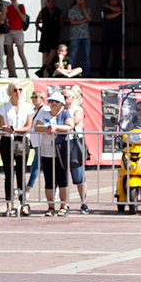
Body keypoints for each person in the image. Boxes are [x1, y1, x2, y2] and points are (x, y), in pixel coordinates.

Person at [34, 92, 74, 216]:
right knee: (49, 180)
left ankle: (64, 205)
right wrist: (47, 129)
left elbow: (69, 126)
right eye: (51, 101)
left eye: (56, 101)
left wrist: (56, 128)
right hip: (47, 151)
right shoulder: (44, 112)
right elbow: (37, 126)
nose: (53, 104)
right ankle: (50, 206)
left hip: (61, 150)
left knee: (63, 179)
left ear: (62, 103)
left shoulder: (65, 113)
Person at [0, 82, 33, 216]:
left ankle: (23, 203)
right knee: (8, 173)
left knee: (21, 172)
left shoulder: (27, 107)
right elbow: (2, 126)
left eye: (19, 89)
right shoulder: (3, 108)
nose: (17, 92)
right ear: (10, 92)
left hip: (21, 139)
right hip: (7, 140)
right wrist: (8, 130)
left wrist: (14, 130)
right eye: (14, 90)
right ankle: (9, 203)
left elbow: (28, 126)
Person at [62, 85, 88, 214]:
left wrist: (62, 123)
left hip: (74, 144)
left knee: (79, 177)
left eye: (66, 97)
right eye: (61, 97)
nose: (63, 99)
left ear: (72, 98)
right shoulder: (58, 110)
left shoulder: (77, 109)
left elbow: (74, 122)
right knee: (62, 177)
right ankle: (64, 204)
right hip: (61, 144)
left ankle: (84, 203)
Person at [22, 88, 46, 212]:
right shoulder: (31, 110)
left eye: (36, 97)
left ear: (42, 99)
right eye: (33, 97)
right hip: (34, 141)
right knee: (37, 166)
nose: (34, 99)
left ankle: (27, 189)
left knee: (35, 166)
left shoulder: (44, 109)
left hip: (43, 142)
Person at [36, 0, 63, 76]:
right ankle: (47, 72)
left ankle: (43, 69)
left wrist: (58, 30)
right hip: (45, 35)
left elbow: (61, 24)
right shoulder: (43, 11)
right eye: (49, 2)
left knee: (53, 52)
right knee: (45, 54)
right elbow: (37, 22)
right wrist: (41, 30)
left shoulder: (58, 11)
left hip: (54, 35)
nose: (51, 4)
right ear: (46, 2)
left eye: (52, 2)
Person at [66, 0, 91, 77]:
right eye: (80, 0)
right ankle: (70, 73)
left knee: (86, 56)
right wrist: (83, 21)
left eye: (83, 0)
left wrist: (84, 10)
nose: (82, 2)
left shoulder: (87, 9)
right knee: (73, 55)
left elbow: (89, 18)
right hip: (75, 36)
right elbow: (72, 22)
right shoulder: (72, 10)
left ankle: (87, 73)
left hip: (85, 36)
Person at [4, 0, 28, 79]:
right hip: (9, 31)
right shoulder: (7, 7)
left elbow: (24, 18)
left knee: (21, 52)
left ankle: (26, 72)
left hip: (18, 31)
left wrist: (17, 9)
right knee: (9, 53)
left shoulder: (21, 6)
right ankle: (12, 73)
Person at [100, 0, 122, 77]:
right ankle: (102, 75)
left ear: (118, 0)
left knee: (116, 57)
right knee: (104, 56)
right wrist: (119, 13)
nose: (112, 2)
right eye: (111, 0)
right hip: (107, 35)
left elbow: (120, 9)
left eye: (114, 0)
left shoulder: (121, 5)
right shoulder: (106, 7)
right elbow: (108, 16)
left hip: (118, 36)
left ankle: (114, 75)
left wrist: (118, 11)